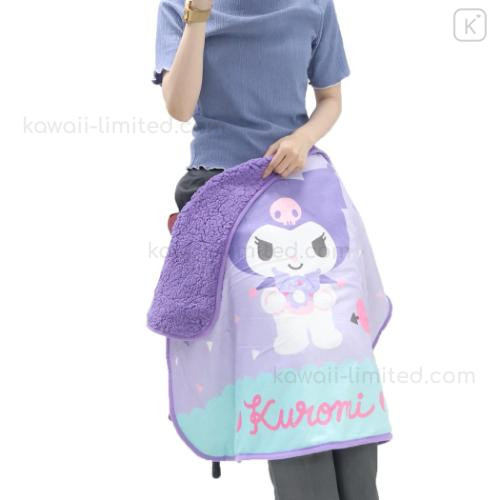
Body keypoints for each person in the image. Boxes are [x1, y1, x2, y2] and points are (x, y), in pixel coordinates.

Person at [153, 1, 379, 498]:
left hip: (300, 182)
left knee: (344, 352)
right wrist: (198, 16)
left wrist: (303, 138)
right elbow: (179, 107)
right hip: (221, 193)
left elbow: (330, 99)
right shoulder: (182, 5)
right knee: (287, 358)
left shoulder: (313, 5)